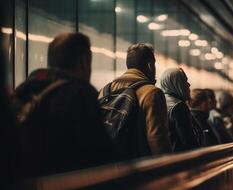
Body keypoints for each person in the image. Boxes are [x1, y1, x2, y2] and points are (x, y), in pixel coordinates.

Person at [12, 33, 114, 176]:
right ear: (84, 62)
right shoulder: (80, 94)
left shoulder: (24, 89)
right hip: (66, 185)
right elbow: (100, 152)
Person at [99, 43, 171, 156]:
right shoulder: (152, 93)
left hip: (110, 164)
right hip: (140, 167)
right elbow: (158, 139)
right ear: (150, 65)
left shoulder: (104, 90)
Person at [160, 68, 200, 151]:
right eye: (185, 80)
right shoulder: (179, 106)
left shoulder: (160, 101)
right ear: (176, 83)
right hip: (182, 158)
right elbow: (189, 142)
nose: (189, 85)